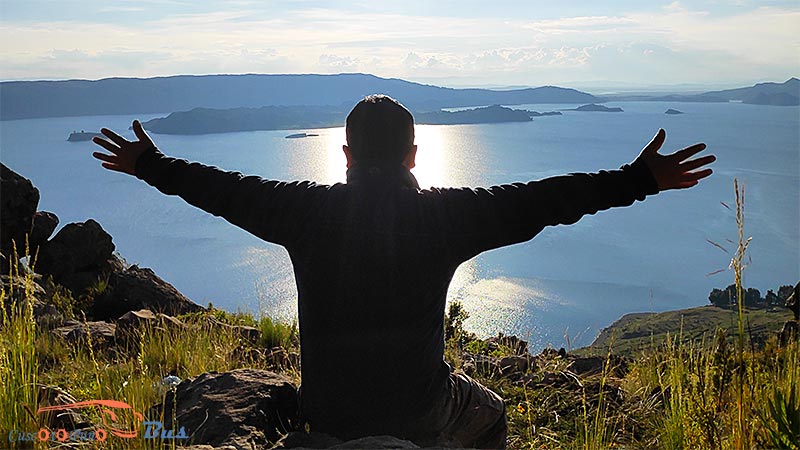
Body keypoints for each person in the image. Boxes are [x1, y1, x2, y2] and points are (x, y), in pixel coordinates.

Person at [92, 94, 715, 448]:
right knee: (492, 412)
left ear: (345, 154)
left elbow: (226, 190)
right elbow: (543, 200)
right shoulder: (446, 218)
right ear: (414, 154)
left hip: (330, 413)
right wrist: (640, 180)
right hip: (421, 411)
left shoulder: (303, 212)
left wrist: (153, 165)